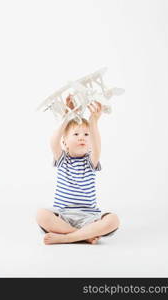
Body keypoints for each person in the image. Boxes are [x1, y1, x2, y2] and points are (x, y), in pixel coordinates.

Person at [36, 94, 120, 245]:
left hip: (89, 218)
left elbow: (97, 145)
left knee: (113, 220)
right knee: (41, 215)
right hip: (63, 216)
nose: (82, 137)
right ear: (65, 142)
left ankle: (67, 238)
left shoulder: (90, 161)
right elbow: (53, 141)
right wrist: (67, 117)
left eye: (86, 135)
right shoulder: (63, 159)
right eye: (76, 134)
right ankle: (82, 236)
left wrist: (94, 121)